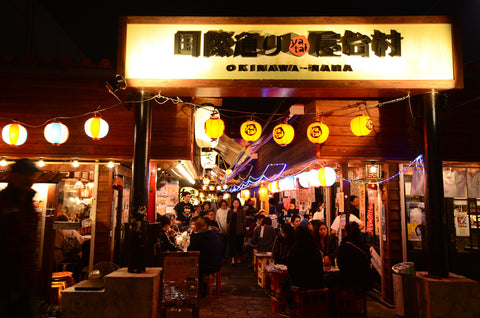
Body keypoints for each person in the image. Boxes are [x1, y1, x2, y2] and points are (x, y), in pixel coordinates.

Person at [0, 158, 41, 318]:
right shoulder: (4, 203)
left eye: (32, 176)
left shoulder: (27, 202)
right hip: (5, 281)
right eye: (26, 175)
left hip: (25, 280)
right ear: (14, 175)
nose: (30, 180)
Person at [279, 225, 325, 315]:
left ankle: (289, 306)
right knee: (290, 279)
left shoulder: (295, 250)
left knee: (290, 280)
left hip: (303, 284)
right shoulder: (315, 249)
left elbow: (291, 269)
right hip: (317, 283)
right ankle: (283, 296)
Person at [326, 221, 373, 290]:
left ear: (346, 232)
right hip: (365, 279)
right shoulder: (364, 246)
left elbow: (340, 265)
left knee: (328, 279)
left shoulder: (344, 246)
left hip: (349, 280)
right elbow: (368, 261)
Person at [188, 217, 223, 297]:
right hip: (217, 263)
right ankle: (202, 286)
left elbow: (191, 251)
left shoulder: (197, 237)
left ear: (196, 226)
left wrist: (192, 234)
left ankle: (197, 288)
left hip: (205, 266)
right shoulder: (214, 234)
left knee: (192, 266)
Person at [53, 214, 88, 280]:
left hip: (56, 256)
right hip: (69, 256)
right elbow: (80, 240)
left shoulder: (54, 230)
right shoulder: (69, 230)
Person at [226, 198, 246, 265]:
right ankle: (232, 259)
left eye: (237, 203)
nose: (236, 204)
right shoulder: (230, 211)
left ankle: (238, 258)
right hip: (231, 230)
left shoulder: (241, 211)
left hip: (239, 230)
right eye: (234, 203)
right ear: (232, 204)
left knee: (239, 245)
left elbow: (244, 221)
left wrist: (243, 229)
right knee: (232, 245)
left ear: (239, 204)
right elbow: (228, 221)